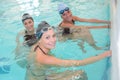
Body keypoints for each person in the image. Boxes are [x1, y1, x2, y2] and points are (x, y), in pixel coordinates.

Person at [25, 21, 111, 80]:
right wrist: (102, 55)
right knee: (80, 74)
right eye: (47, 37)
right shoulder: (44, 58)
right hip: (42, 78)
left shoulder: (36, 46)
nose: (53, 40)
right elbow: (78, 63)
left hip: (37, 75)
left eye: (53, 36)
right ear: (39, 40)